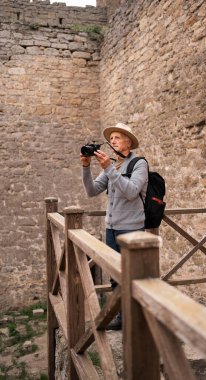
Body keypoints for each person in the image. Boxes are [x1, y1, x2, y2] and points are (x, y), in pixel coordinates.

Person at [80, 123, 148, 330]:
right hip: (111, 229)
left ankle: (137, 319)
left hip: (132, 230)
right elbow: (92, 191)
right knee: (115, 278)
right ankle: (122, 317)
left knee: (133, 276)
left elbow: (131, 191)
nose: (113, 141)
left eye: (118, 137)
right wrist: (85, 167)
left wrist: (108, 168)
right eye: (112, 138)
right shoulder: (113, 165)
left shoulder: (139, 164)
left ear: (128, 142)